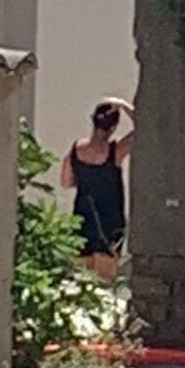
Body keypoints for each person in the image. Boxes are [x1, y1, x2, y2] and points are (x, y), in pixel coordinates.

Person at [65, 98, 133, 275]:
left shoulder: (75, 151)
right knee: (104, 283)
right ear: (114, 127)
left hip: (82, 220)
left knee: (80, 283)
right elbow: (146, 127)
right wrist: (124, 106)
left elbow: (66, 182)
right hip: (110, 223)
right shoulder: (115, 153)